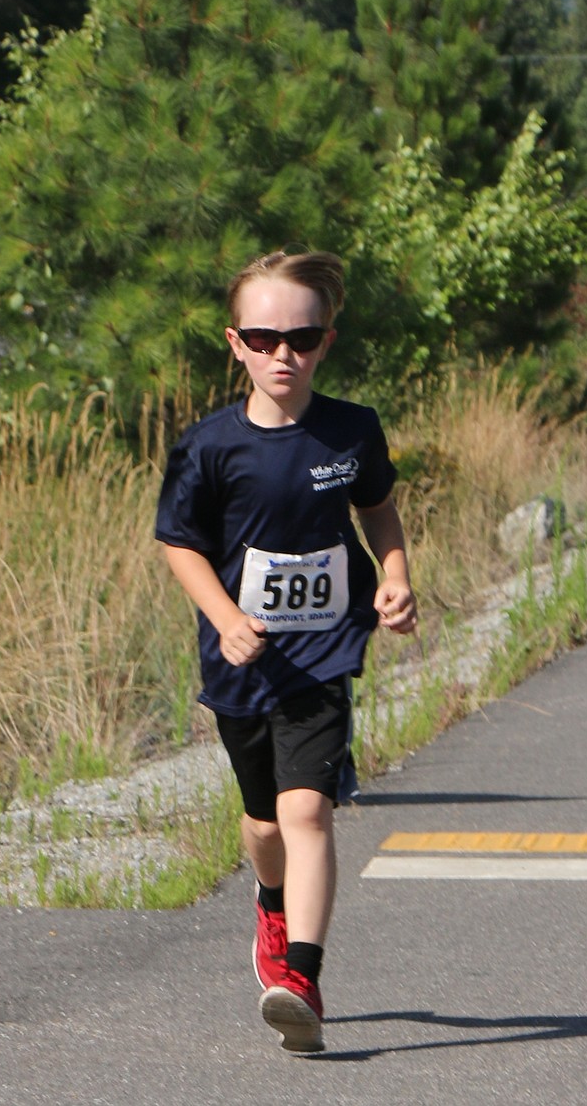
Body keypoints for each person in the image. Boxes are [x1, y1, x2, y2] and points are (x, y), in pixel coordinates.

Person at [156, 249, 418, 1056]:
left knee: (309, 809)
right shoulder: (208, 446)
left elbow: (377, 510)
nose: (283, 354)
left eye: (300, 338)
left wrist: (396, 575)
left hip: (325, 651)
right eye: (265, 337)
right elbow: (179, 544)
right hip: (242, 659)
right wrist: (226, 614)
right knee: (264, 821)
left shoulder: (351, 429)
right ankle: (269, 902)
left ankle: (300, 977)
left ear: (325, 341)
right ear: (236, 343)